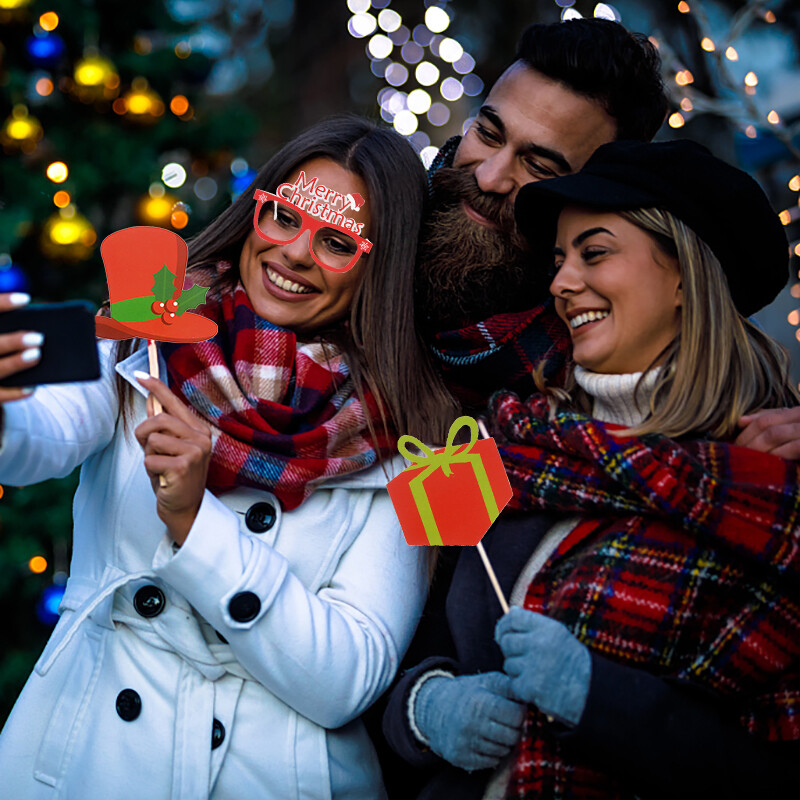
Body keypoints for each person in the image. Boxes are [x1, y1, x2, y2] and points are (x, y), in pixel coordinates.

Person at [0, 116, 456, 800]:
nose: (296, 253)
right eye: (283, 218)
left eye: (335, 241)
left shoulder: (410, 434)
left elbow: (349, 679)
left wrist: (196, 524)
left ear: (378, 270)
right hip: (87, 757)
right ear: (255, 214)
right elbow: (39, 439)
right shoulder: (143, 337)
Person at [387, 140, 800, 799]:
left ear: (684, 278)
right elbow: (406, 650)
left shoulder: (763, 490)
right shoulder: (513, 444)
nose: (561, 283)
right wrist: (427, 708)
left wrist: (597, 696)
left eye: (594, 253)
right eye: (558, 260)